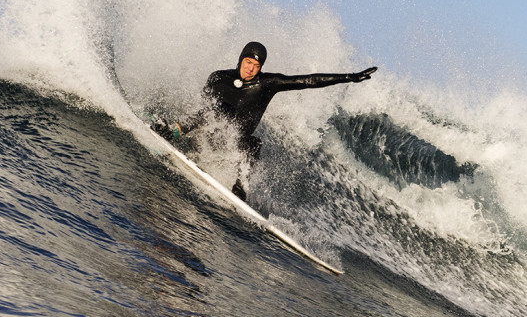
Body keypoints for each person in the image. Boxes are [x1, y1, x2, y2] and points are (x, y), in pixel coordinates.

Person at [155, 41, 377, 200]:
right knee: (218, 109)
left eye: (256, 66)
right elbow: (203, 111)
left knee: (254, 143)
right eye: (248, 62)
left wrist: (349, 77)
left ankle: (240, 189)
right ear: (241, 59)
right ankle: (173, 131)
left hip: (237, 143)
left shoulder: (267, 84)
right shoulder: (218, 77)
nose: (250, 68)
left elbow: (307, 81)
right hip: (210, 137)